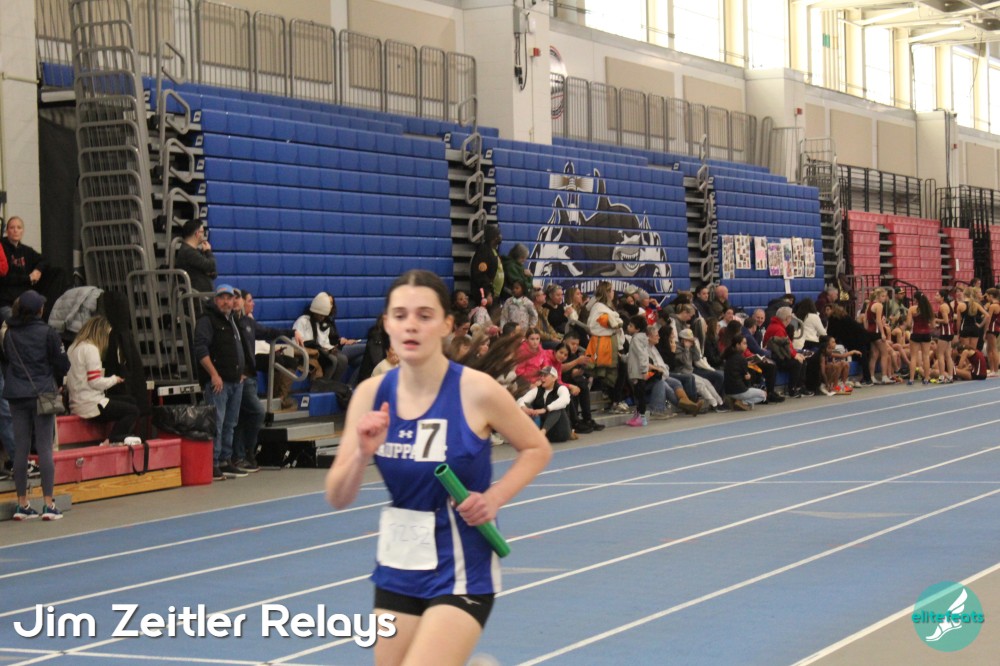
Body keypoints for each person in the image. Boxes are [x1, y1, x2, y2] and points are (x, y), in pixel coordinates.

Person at [324, 269, 551, 666]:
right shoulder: (370, 395)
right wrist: (361, 452)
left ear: (447, 324)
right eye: (400, 315)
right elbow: (338, 497)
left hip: (461, 563)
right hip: (400, 561)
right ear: (387, 324)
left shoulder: (476, 390)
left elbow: (536, 448)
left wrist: (494, 498)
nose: (411, 325)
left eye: (424, 315)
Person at [4, 290, 70, 520]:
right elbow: (63, 363)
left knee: (21, 448)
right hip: (42, 392)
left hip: (16, 394)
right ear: (38, 310)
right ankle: (48, 504)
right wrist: (56, 381)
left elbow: (6, 360)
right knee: (44, 447)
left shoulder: (9, 333)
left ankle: (22, 503)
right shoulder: (48, 333)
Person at [193, 285, 248, 480]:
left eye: (229, 298)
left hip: (235, 381)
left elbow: (238, 347)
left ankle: (225, 460)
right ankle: (213, 463)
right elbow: (200, 349)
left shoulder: (232, 319)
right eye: (222, 298)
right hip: (218, 383)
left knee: (230, 423)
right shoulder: (207, 320)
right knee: (216, 423)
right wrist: (214, 375)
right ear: (215, 300)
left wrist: (241, 372)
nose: (226, 301)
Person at [66, 315, 140, 444]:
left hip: (77, 402)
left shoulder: (72, 348)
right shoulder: (91, 349)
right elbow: (95, 382)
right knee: (133, 411)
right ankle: (112, 440)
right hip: (90, 405)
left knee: (130, 401)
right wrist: (114, 380)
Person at [0, 217, 47, 323]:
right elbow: (5, 278)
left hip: (24, 301)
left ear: (23, 231)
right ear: (7, 231)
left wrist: (38, 271)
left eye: (19, 227)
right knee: (16, 322)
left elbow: (43, 260)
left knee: (37, 322)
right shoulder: (1, 248)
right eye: (12, 227)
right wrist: (28, 278)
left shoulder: (26, 250)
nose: (15, 230)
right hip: (6, 301)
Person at [517, 365, 573, 442]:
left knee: (556, 407)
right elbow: (521, 400)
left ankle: (542, 432)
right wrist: (524, 408)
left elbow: (565, 400)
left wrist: (545, 409)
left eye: (545, 375)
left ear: (554, 378)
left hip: (560, 432)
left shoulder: (561, 388)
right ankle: (534, 433)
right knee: (524, 405)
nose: (542, 378)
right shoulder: (537, 390)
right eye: (541, 375)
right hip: (543, 432)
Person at [172, 218, 217, 294]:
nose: (204, 235)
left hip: (202, 296)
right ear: (197, 234)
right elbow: (211, 265)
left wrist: (210, 270)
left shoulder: (196, 251)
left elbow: (214, 273)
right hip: (196, 297)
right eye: (203, 232)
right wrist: (208, 251)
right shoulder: (188, 252)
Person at [722, 336, 766, 410]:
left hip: (728, 390)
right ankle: (742, 402)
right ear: (737, 345)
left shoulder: (728, 356)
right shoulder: (741, 359)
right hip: (739, 390)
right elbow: (747, 380)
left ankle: (737, 400)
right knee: (763, 395)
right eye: (744, 343)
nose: (746, 346)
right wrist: (749, 377)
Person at [906, 292, 935, 386]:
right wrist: (927, 327)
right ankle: (926, 378)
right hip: (926, 333)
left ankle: (911, 379)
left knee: (913, 356)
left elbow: (908, 324)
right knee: (926, 356)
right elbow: (933, 325)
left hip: (916, 333)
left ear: (916, 299)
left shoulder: (912, 309)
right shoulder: (928, 309)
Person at [470, 225, 504, 303]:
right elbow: (480, 275)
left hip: (494, 295)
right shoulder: (484, 251)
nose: (501, 237)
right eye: (499, 235)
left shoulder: (493, 250)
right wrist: (487, 293)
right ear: (495, 237)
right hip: (486, 296)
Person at [933, 289, 956, 384]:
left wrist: (936, 320)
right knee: (947, 355)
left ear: (942, 297)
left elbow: (946, 321)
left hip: (945, 333)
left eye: (937, 295)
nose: (935, 297)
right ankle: (950, 376)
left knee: (940, 355)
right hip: (949, 332)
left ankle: (942, 376)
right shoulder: (947, 305)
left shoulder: (943, 306)